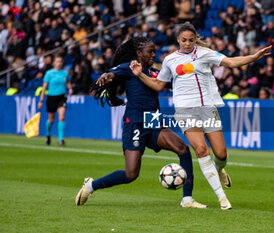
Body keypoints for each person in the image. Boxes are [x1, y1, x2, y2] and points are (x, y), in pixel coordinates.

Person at [130, 22, 271, 210]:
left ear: (195, 39)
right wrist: (140, 75)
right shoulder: (170, 60)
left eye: (191, 40)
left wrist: (253, 57)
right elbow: (158, 85)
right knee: (201, 150)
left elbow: (230, 62)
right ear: (178, 40)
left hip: (207, 108)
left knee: (221, 154)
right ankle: (222, 199)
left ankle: (219, 169)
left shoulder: (205, 53)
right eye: (183, 40)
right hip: (185, 110)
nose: (187, 43)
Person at [75, 37, 207, 209]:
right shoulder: (129, 67)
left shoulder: (154, 72)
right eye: (149, 51)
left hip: (153, 120)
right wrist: (106, 76)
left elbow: (173, 82)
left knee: (183, 149)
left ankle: (187, 199)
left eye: (154, 51)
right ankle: (91, 186)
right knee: (131, 174)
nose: (153, 54)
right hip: (135, 122)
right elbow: (112, 74)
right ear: (139, 53)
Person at [38, 55, 73, 146]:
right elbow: (44, 87)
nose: (59, 63)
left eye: (61, 61)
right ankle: (48, 134)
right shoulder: (49, 73)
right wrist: (41, 100)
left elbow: (68, 83)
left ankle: (60, 139)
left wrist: (70, 88)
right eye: (57, 61)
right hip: (51, 97)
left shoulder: (65, 73)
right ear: (54, 63)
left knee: (61, 117)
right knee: (51, 119)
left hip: (61, 97)